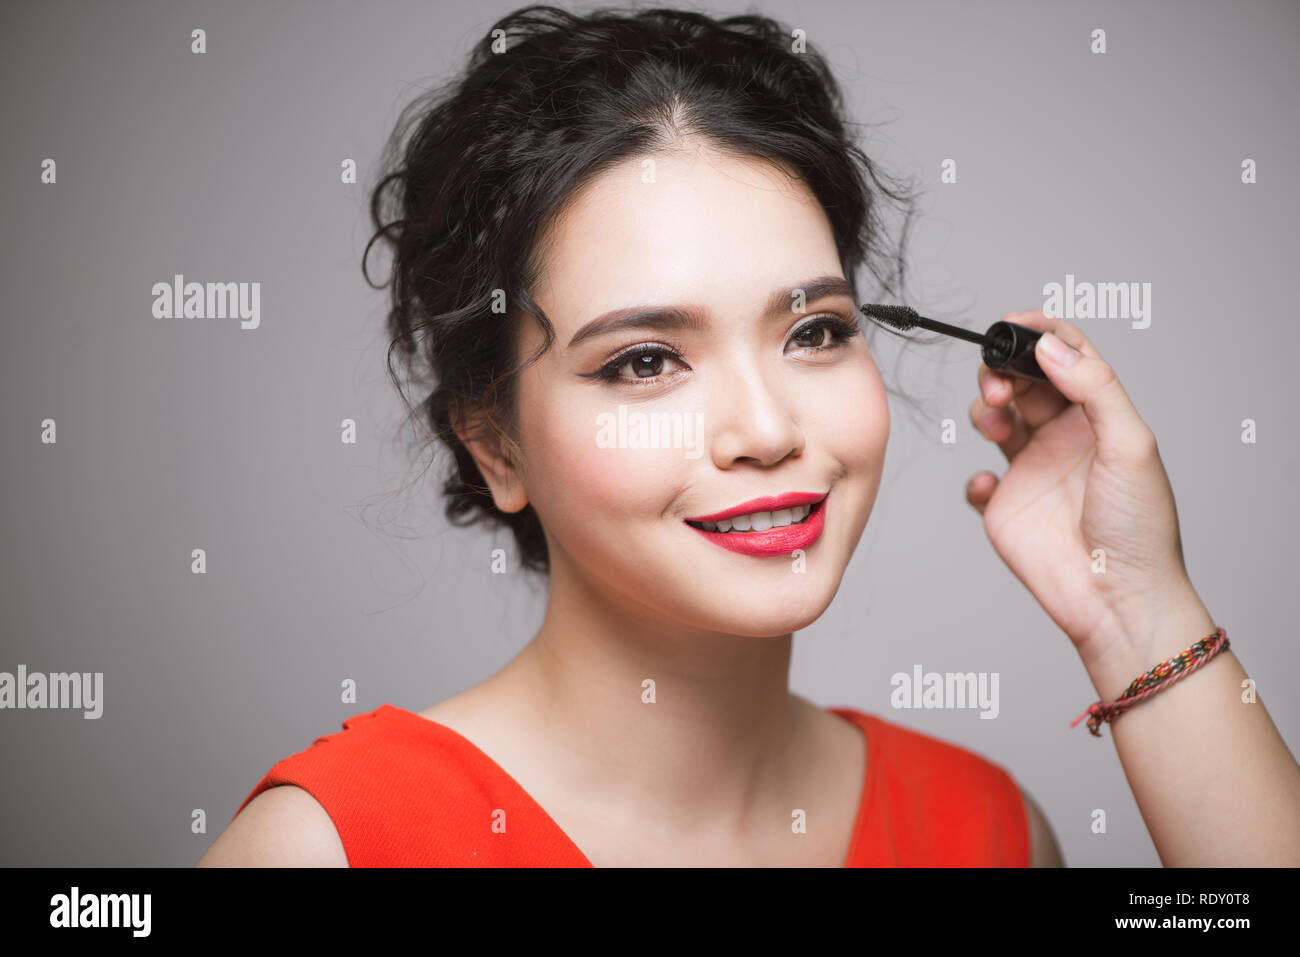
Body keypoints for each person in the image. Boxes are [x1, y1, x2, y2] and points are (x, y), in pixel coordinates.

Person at [198, 4, 1300, 867]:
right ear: (495, 447)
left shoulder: (983, 832)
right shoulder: (335, 848)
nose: (767, 430)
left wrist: (1134, 611)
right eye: (643, 361)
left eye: (814, 331)